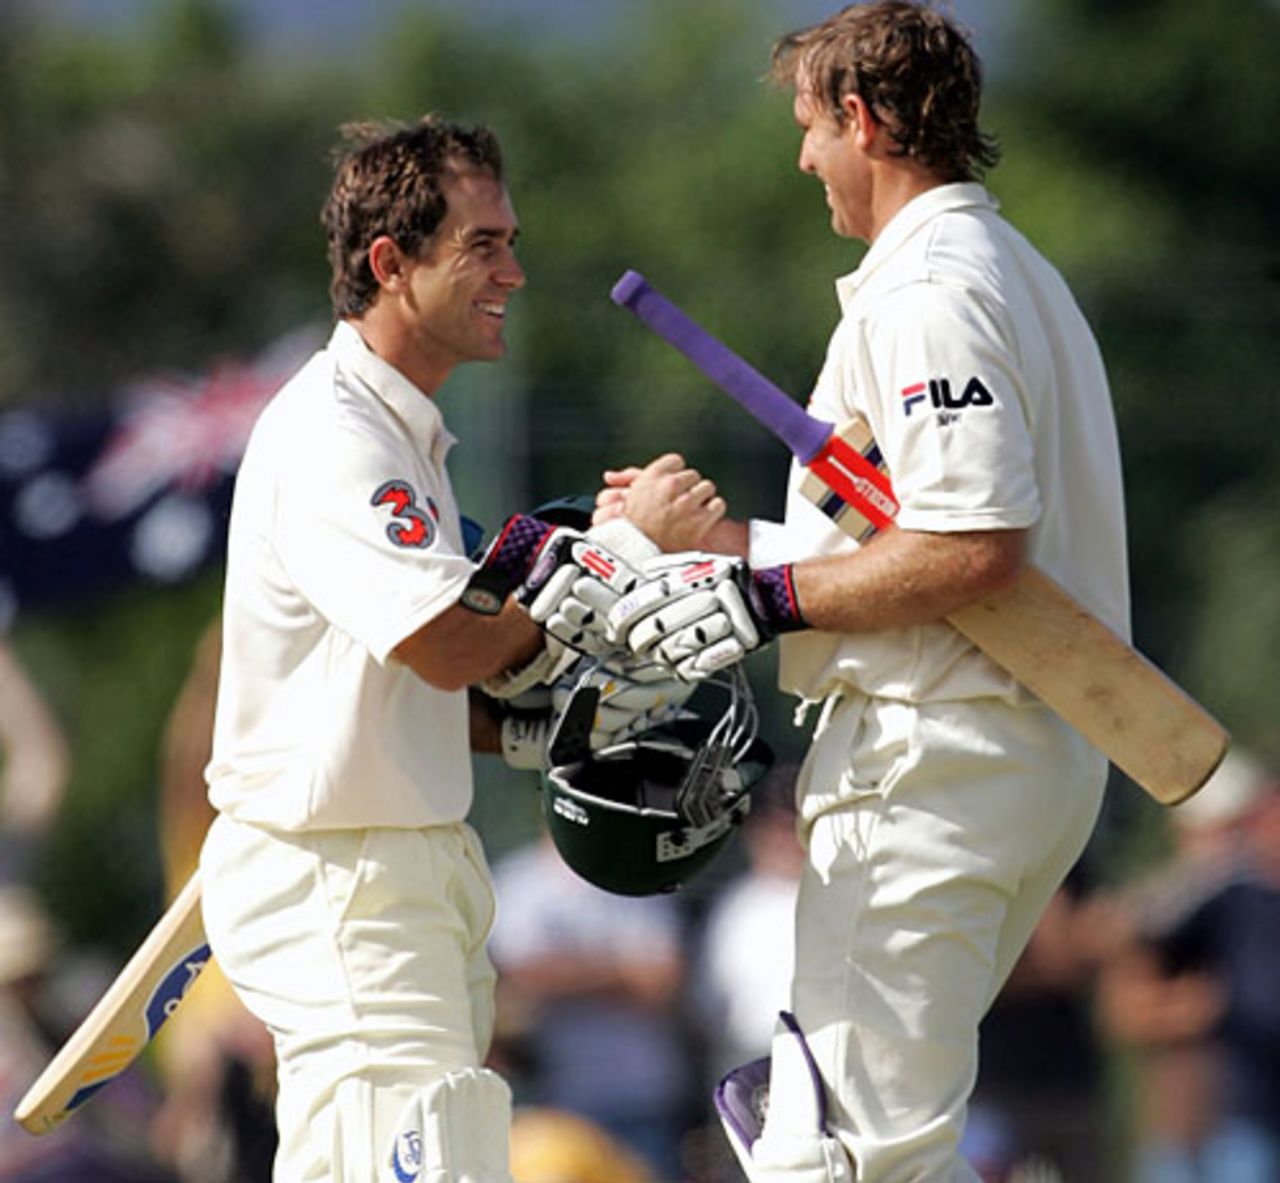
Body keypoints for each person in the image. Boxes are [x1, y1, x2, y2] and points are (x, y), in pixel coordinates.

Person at [593, 4, 1129, 1179]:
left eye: (807, 127)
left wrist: (759, 604)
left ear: (861, 118)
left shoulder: (930, 290)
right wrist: (718, 546)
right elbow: (899, 547)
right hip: (991, 751)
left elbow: (973, 546)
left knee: (847, 1157)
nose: (801, 159)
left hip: (932, 762)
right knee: (843, 1128)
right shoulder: (1003, 270)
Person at [197, 114, 711, 1183]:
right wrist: (619, 546)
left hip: (394, 862)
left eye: (510, 242)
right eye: (483, 246)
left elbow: (414, 682)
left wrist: (538, 722)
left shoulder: (398, 433)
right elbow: (441, 643)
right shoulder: (337, 434)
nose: (513, 273)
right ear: (390, 264)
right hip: (342, 871)